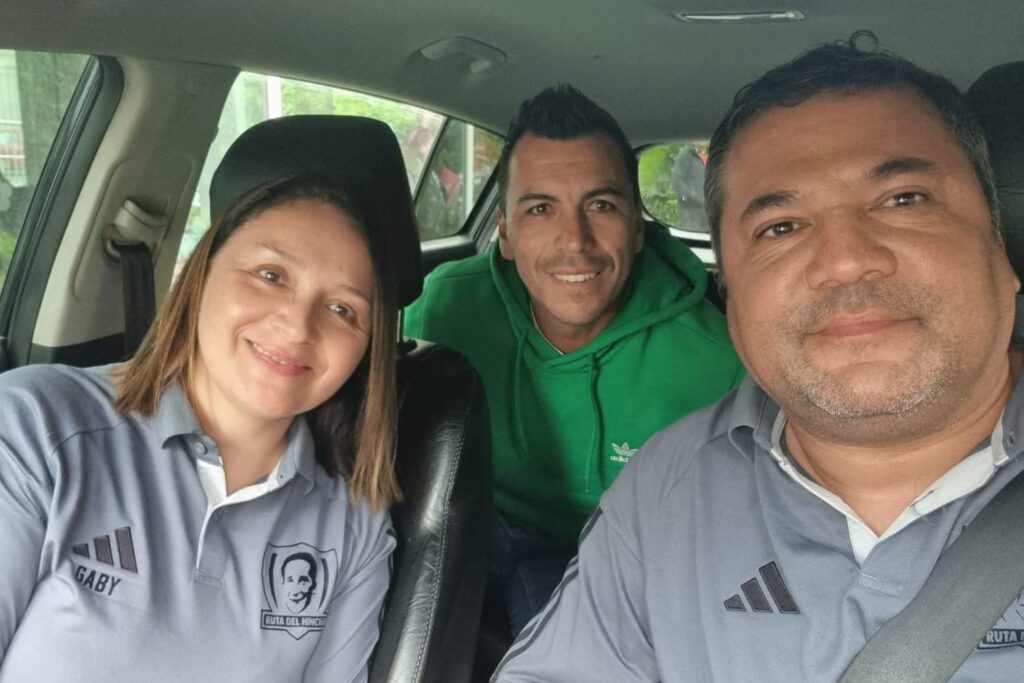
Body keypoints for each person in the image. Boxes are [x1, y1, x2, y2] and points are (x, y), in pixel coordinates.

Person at [493, 38, 1024, 681]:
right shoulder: (666, 491)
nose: (846, 260)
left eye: (903, 199)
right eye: (781, 227)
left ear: (1001, 246)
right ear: (732, 290)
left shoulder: (700, 363)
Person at [0, 163, 402, 678]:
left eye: (343, 309)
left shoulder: (355, 520)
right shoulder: (36, 426)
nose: (298, 325)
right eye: (271, 276)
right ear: (200, 272)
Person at [404, 84, 744, 635]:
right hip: (466, 521)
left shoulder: (719, 362)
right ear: (506, 233)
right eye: (541, 208)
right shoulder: (444, 304)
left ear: (637, 227)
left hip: (595, 556)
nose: (575, 241)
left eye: (601, 205)